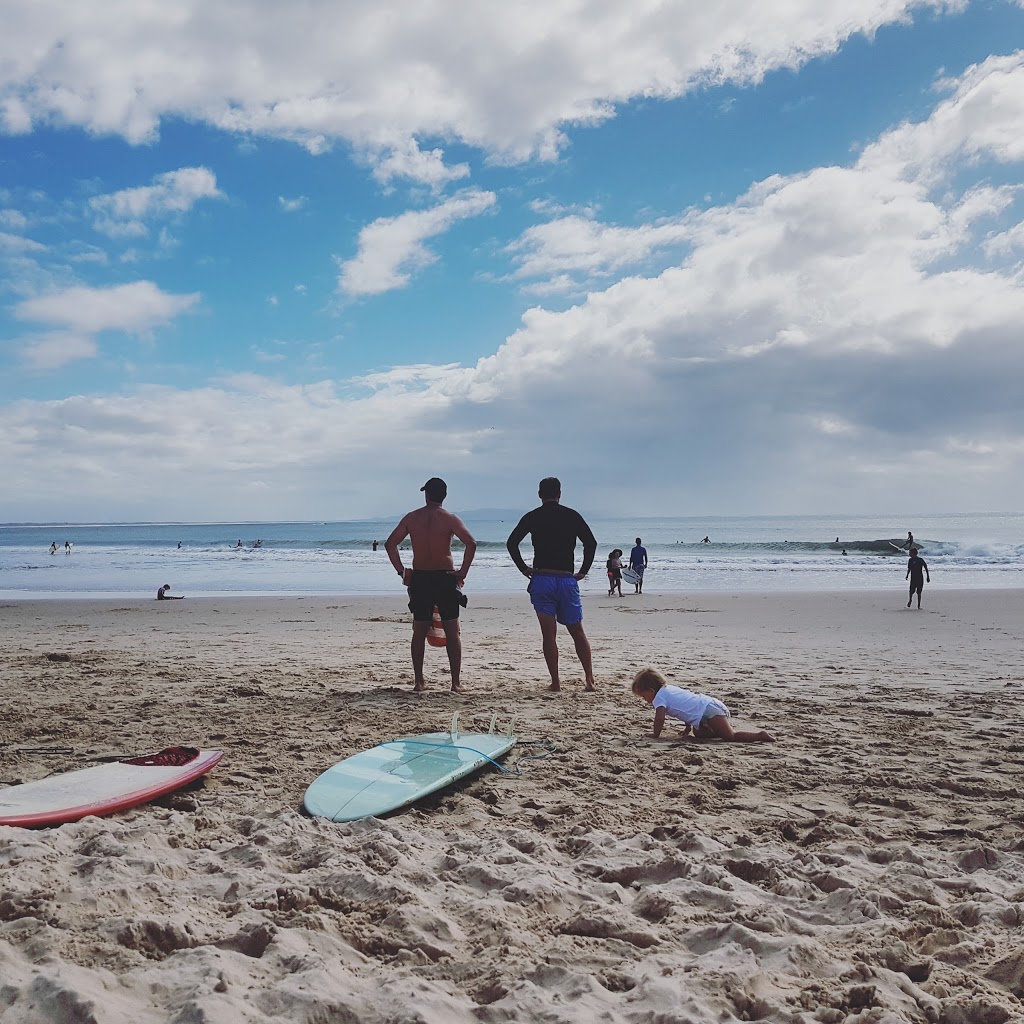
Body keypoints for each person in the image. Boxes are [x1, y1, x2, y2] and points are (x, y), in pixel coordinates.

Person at [385, 478, 477, 693]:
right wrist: (463, 572)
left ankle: (419, 682)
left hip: (421, 579)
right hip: (445, 578)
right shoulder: (450, 519)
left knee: (419, 630)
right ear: (444, 496)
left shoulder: (412, 517)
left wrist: (402, 571)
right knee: (452, 631)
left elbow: (390, 544)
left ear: (426, 495)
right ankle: (455, 683)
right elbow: (471, 544)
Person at [506, 477, 597, 692]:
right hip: (566, 579)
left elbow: (512, 543)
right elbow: (591, 543)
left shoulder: (533, 516)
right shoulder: (572, 515)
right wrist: (583, 571)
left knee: (549, 635)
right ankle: (589, 680)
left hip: (542, 578)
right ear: (560, 494)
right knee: (577, 632)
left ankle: (556, 682)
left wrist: (523, 568)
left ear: (540, 494)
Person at [632, 668, 775, 742]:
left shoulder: (659, 698)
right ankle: (717, 729)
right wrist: (687, 728)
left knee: (730, 737)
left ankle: (760, 735)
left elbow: (659, 719)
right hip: (706, 709)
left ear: (651, 691)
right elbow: (683, 707)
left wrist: (655, 735)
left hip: (708, 710)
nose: (645, 700)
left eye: (644, 697)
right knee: (699, 733)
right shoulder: (668, 690)